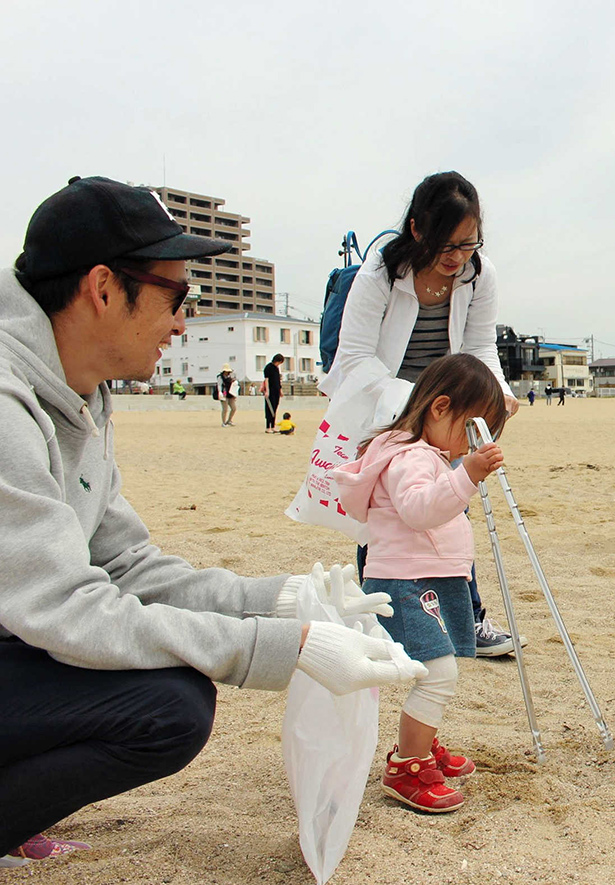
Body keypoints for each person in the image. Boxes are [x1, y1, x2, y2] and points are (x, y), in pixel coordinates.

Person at [0, 176, 424, 863]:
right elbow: (65, 607)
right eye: (177, 297)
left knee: (164, 687)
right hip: (23, 626)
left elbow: (125, 564)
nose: (181, 322)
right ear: (103, 289)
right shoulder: (7, 402)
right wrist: (285, 647)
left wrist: (286, 599)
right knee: (169, 708)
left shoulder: (82, 392)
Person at [321, 171, 521, 656]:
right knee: (384, 513)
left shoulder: (479, 274)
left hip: (446, 405)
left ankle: (465, 617)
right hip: (387, 405)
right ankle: (380, 616)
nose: (457, 257)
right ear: (416, 231)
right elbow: (354, 357)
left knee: (452, 500)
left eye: (469, 244)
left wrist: (497, 390)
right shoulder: (380, 274)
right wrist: (415, 404)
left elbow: (479, 346)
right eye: (446, 245)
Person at [332, 354, 506, 812]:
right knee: (437, 671)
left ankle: (420, 746)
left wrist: (459, 472)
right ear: (440, 407)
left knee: (438, 667)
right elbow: (418, 510)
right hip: (406, 581)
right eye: (470, 430)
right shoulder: (410, 456)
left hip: (427, 576)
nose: (467, 446)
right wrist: (466, 475)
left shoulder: (426, 454)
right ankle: (407, 763)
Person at [263, 353, 284, 432]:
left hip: (276, 391)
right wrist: (267, 391)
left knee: (275, 408)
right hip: (270, 390)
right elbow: (266, 380)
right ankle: (268, 427)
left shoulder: (276, 368)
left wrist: (280, 390)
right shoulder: (268, 367)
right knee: (269, 408)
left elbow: (278, 380)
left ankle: (273, 426)